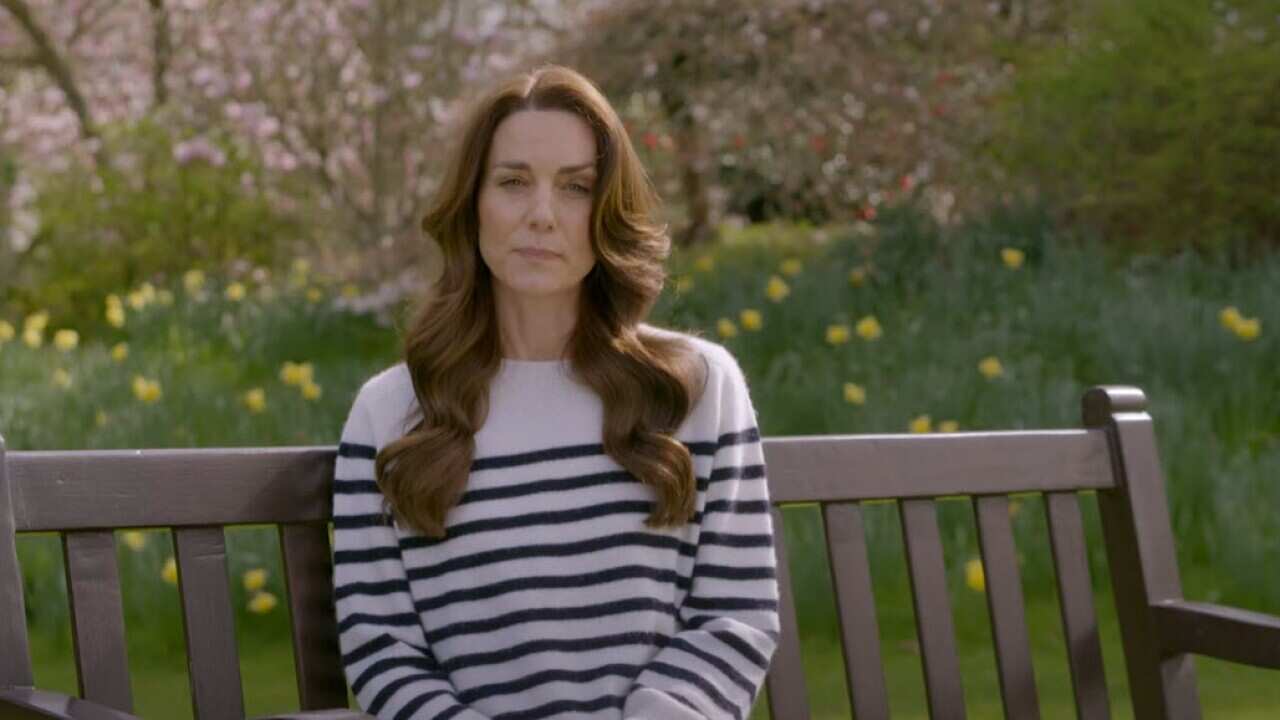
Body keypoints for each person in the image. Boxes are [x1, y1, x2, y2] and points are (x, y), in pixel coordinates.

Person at [332, 63, 779, 720]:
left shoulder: (695, 388)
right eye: (514, 182)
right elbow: (382, 648)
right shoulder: (390, 413)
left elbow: (734, 613)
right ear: (472, 204)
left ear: (606, 212)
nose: (543, 215)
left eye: (576, 188)